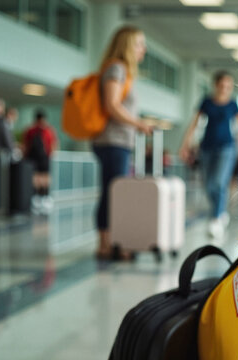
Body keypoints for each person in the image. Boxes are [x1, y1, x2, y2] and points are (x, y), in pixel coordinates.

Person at [92, 25, 152, 260]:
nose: (143, 49)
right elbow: (112, 105)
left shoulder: (121, 70)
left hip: (118, 142)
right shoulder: (116, 69)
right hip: (112, 141)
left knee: (112, 191)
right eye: (139, 44)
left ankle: (110, 242)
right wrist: (138, 124)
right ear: (127, 45)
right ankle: (107, 244)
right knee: (113, 193)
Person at [179, 70, 238, 238]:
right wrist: (185, 145)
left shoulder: (233, 105)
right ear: (216, 85)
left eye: (228, 86)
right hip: (207, 147)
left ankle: (216, 219)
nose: (225, 89)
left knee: (219, 182)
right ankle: (221, 212)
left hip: (227, 148)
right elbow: (194, 124)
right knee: (208, 185)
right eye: (222, 85)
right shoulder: (206, 102)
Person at [23, 109, 58, 213]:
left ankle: (36, 198)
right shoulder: (48, 130)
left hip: (33, 158)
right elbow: (53, 145)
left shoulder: (30, 130)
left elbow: (26, 145)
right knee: (44, 177)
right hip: (44, 158)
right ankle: (45, 197)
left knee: (36, 178)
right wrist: (52, 154)